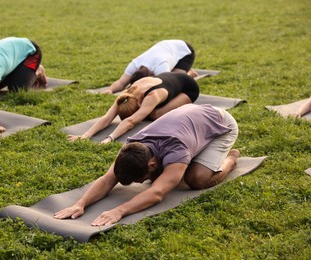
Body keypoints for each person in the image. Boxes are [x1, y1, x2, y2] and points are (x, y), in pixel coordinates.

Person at [55, 104, 240, 226]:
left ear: (152, 164)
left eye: (140, 178)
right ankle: (198, 150)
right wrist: (80, 204)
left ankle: (230, 159)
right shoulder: (131, 147)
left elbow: (158, 193)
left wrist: (120, 211)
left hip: (221, 124)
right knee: (162, 177)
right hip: (192, 119)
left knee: (196, 179)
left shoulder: (177, 150)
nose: (141, 183)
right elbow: (107, 179)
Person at [69, 72, 199, 144]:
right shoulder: (126, 94)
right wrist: (85, 135)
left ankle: (189, 79)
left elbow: (131, 121)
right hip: (170, 78)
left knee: (155, 115)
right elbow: (108, 117)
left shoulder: (152, 96)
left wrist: (110, 138)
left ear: (138, 105)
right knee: (148, 113)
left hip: (188, 88)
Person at [104, 40, 197, 94]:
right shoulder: (134, 64)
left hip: (184, 50)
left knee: (179, 77)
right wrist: (110, 90)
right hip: (166, 47)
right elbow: (121, 82)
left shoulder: (160, 66)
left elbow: (169, 86)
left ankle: (189, 72)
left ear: (150, 75)